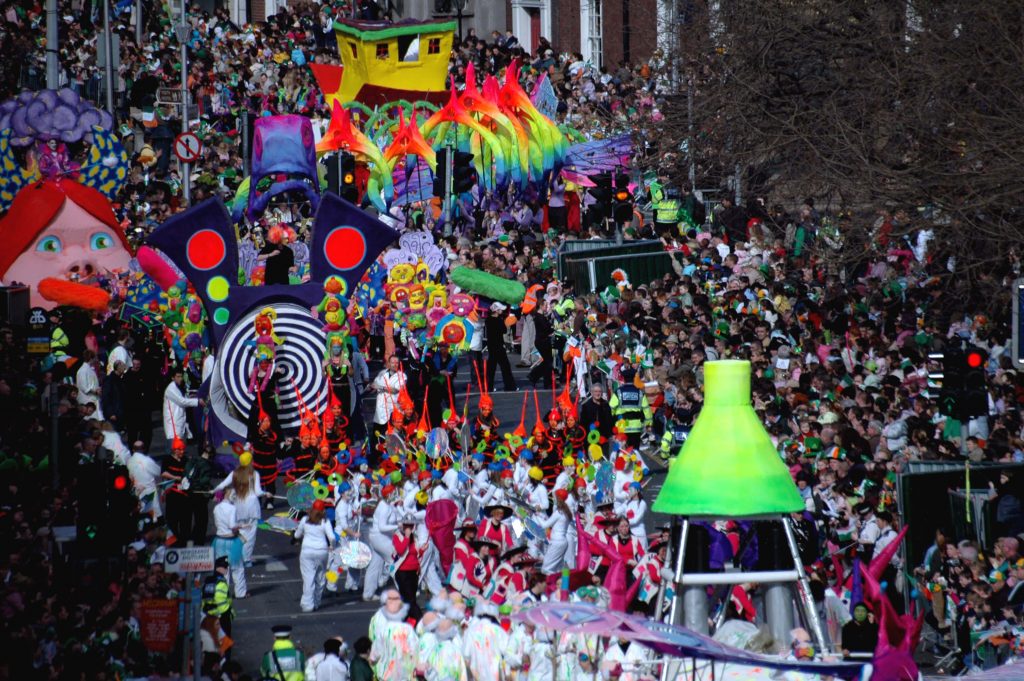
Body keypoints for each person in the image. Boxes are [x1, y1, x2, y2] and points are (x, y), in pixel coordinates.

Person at [213, 453, 264, 567]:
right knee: (250, 534)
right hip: (252, 507)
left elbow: (222, 485)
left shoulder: (234, 473)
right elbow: (258, 492)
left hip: (238, 506)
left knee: (239, 532)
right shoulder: (254, 474)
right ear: (250, 461)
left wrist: (212, 491)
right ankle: (246, 559)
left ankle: (237, 556)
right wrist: (267, 493)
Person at [295, 499, 336, 613]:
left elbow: (297, 535)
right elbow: (332, 537)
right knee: (320, 578)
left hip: (307, 551)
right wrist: (332, 546)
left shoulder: (304, 520)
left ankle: (307, 604)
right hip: (322, 551)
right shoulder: (325, 521)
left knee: (308, 578)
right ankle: (317, 601)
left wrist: (301, 532)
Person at [369, 355, 406, 462]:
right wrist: (372, 386)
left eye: (396, 362)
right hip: (380, 410)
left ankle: (391, 459)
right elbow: (374, 384)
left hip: (392, 410)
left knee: (390, 436)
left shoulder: (402, 375)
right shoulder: (382, 373)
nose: (394, 364)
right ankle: (375, 457)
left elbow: (396, 390)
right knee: (377, 435)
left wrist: (381, 387)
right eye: (392, 362)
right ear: (388, 363)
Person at [211, 492, 247, 600]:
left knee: (222, 568)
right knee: (237, 567)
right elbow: (232, 525)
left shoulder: (216, 508)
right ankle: (240, 593)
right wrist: (242, 526)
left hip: (219, 540)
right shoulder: (232, 508)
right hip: (232, 540)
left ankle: (223, 592)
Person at [609, 366, 652, 448]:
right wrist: (648, 424)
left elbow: (611, 408)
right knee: (634, 452)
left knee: (622, 452)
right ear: (633, 379)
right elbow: (646, 409)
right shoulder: (640, 393)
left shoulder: (618, 392)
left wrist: (612, 421)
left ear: (624, 379)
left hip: (622, 426)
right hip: (636, 427)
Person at [392, 515, 424, 621]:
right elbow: (400, 550)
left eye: (411, 525)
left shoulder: (414, 537)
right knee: (410, 600)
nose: (409, 528)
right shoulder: (397, 536)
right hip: (402, 572)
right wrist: (406, 537)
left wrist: (422, 550)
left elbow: (416, 554)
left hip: (413, 572)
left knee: (410, 599)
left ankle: (405, 620)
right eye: (407, 525)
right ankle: (421, 621)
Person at [485, 302, 518, 392]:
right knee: (505, 367)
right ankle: (510, 386)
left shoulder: (488, 320)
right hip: (499, 346)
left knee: (491, 368)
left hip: (491, 346)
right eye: (500, 309)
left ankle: (488, 387)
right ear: (496, 310)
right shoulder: (498, 320)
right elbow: (503, 330)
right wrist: (506, 321)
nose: (502, 311)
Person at [163, 368, 200, 443]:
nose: (180, 379)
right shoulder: (171, 389)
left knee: (180, 444)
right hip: (173, 422)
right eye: (178, 377)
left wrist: (190, 398)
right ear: (173, 378)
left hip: (179, 420)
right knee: (174, 446)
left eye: (181, 376)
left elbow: (182, 399)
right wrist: (198, 401)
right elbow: (181, 401)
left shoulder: (178, 387)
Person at [202, 557, 235, 637]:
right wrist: (228, 613)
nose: (227, 569)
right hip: (221, 617)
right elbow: (220, 600)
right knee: (225, 642)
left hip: (207, 615)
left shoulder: (208, 580)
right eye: (225, 567)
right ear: (218, 568)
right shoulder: (221, 582)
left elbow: (203, 597)